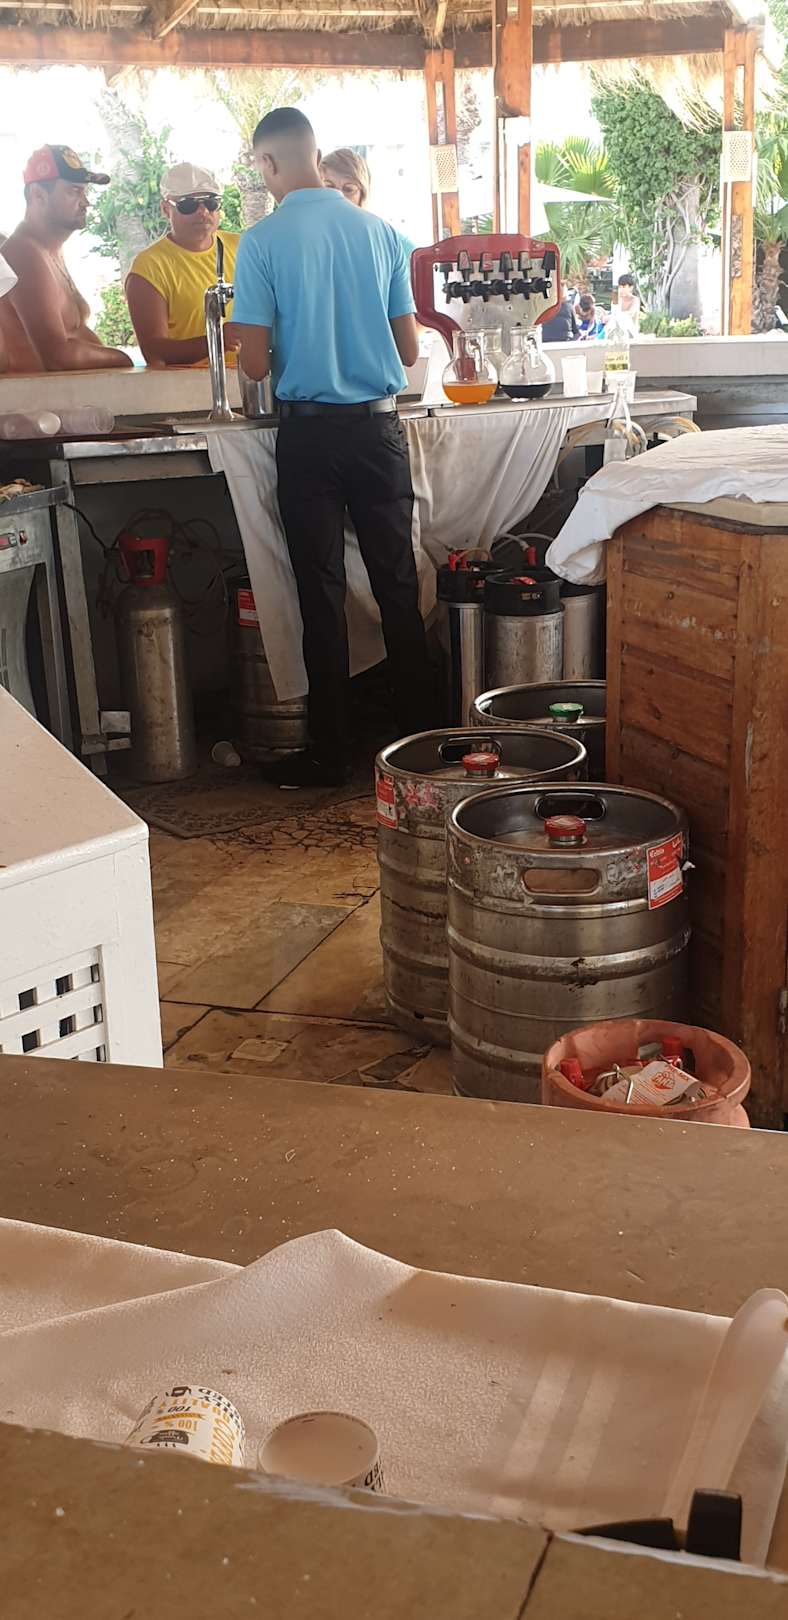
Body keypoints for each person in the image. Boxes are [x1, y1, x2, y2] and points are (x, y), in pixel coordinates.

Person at [232, 107, 435, 790]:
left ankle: (331, 753)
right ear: (316, 157)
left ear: (268, 164)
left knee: (319, 593)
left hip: (310, 435)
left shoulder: (261, 241)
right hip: (379, 430)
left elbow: (253, 364)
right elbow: (408, 351)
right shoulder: (383, 234)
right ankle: (421, 745)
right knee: (397, 585)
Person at [2, 145, 132, 372]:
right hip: (35, 394)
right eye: (74, 191)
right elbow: (58, 357)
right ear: (38, 195)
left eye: (84, 192)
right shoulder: (23, 253)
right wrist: (123, 359)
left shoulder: (49, 251)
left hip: (65, 392)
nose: (86, 202)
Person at [126, 163, 241, 368]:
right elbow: (154, 351)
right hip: (187, 385)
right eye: (188, 205)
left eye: (211, 203)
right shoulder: (150, 267)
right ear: (166, 209)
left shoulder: (243, 247)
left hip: (249, 379)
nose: (203, 212)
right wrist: (216, 341)